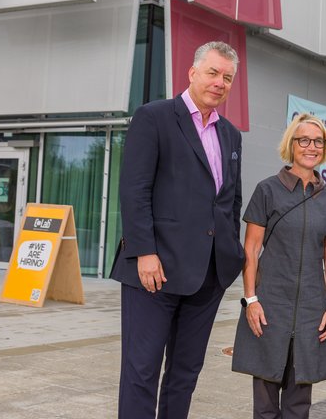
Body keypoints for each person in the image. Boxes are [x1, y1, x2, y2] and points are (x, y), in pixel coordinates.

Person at [110, 41, 244, 419]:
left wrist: (229, 255)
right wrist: (143, 252)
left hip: (207, 276)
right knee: (141, 371)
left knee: (185, 373)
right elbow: (134, 190)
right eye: (213, 72)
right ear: (193, 72)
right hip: (154, 271)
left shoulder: (231, 135)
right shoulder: (154, 117)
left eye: (227, 78)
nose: (220, 82)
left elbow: (229, 200)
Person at [232, 113, 326, 418]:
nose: (311, 147)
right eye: (304, 140)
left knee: (299, 404)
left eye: (318, 141)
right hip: (269, 307)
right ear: (291, 144)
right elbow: (252, 249)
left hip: (311, 311)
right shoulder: (267, 190)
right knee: (266, 404)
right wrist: (251, 300)